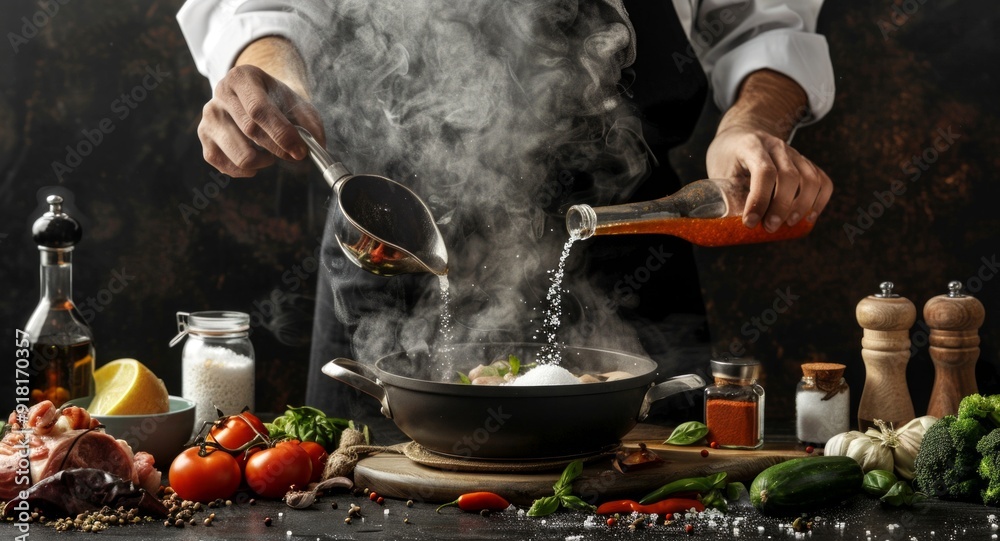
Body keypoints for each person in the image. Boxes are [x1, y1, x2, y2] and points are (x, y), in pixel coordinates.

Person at [177, 1, 835, 442]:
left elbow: (762, 20)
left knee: (647, 501)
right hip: (394, 226)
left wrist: (750, 123)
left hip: (619, 227)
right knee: (364, 509)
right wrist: (263, 67)